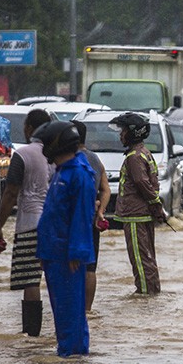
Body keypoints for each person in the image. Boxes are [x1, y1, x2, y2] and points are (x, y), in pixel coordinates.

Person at [33, 121, 97, 357]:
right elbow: (52, 215)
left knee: (70, 312)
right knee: (62, 312)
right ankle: (69, 356)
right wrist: (42, 251)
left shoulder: (79, 174)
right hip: (53, 253)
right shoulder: (63, 172)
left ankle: (72, 360)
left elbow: (82, 216)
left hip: (67, 256)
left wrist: (77, 252)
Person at [0, 109, 52, 337]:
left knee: (30, 280)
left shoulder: (22, 155)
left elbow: (10, 193)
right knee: (54, 278)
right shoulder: (57, 156)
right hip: (55, 225)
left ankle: (32, 335)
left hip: (29, 225)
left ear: (29, 129)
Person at [109, 112, 165, 295]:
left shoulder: (134, 157)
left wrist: (155, 204)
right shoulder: (144, 153)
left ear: (133, 133)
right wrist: (156, 206)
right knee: (148, 256)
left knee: (140, 259)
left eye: (123, 131)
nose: (120, 135)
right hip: (143, 213)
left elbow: (142, 183)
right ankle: (152, 291)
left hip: (135, 215)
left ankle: (145, 294)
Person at [71, 120, 111, 313]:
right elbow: (106, 190)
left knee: (71, 265)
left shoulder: (69, 159)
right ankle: (87, 310)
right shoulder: (95, 159)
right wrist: (101, 211)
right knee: (90, 267)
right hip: (92, 218)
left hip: (73, 219)